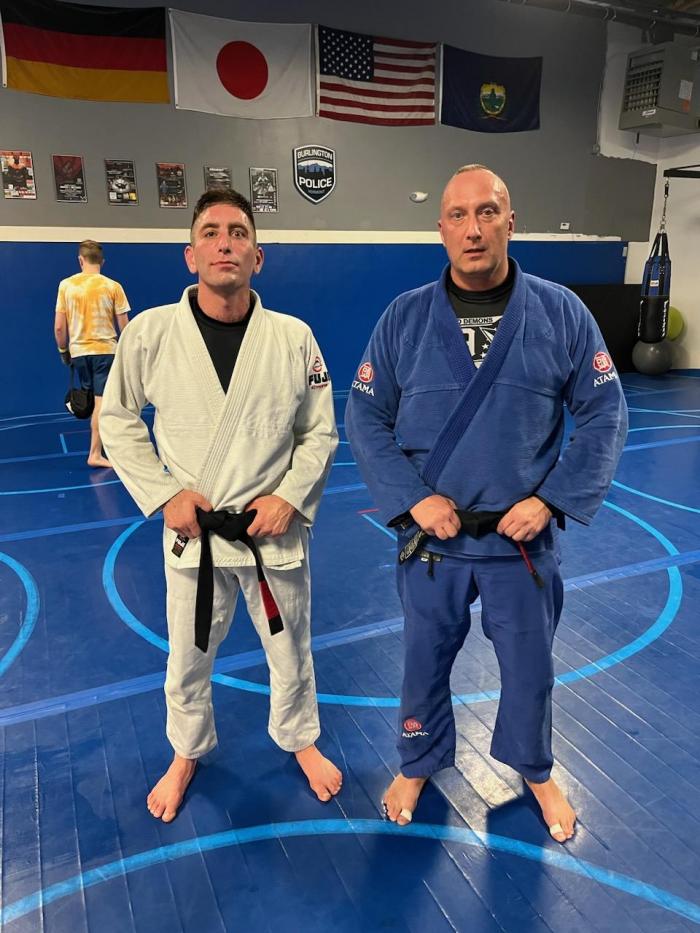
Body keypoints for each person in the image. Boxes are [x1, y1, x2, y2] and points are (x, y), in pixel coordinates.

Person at [345, 164, 627, 843]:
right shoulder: (405, 316)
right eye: (458, 215)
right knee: (423, 659)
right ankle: (417, 761)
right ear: (440, 229)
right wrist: (412, 500)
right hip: (434, 542)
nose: (473, 229)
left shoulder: (561, 311)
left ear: (510, 221)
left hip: (519, 541)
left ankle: (535, 768)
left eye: (488, 212)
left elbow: (605, 412)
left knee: (530, 667)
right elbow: (364, 415)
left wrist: (551, 499)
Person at [100, 189, 342, 822]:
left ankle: (300, 739)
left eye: (238, 232)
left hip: (272, 537)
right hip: (195, 535)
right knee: (187, 658)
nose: (225, 243)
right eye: (210, 232)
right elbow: (118, 417)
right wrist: (165, 494)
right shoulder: (151, 333)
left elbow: (319, 432)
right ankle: (186, 751)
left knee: (291, 650)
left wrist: (289, 498)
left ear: (257, 256)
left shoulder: (293, 337)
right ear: (191, 255)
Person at [54, 239, 130, 468]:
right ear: (102, 262)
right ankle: (95, 453)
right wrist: (128, 353)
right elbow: (125, 327)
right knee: (101, 403)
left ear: (81, 260)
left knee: (94, 401)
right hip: (105, 352)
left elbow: (59, 328)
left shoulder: (66, 286)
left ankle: (101, 446)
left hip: (79, 353)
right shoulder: (113, 286)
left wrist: (63, 351)